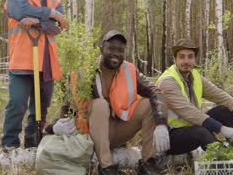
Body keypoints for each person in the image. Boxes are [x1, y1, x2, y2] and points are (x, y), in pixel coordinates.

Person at [46, 31, 170, 175]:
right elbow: (68, 106)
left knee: (149, 104)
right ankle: (106, 168)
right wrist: (54, 126)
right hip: (91, 134)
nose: (116, 53)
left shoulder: (130, 70)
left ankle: (148, 164)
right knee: (100, 104)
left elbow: (156, 92)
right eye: (111, 48)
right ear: (101, 49)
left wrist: (161, 124)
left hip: (119, 131)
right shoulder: (84, 72)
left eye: (120, 50)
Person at [1, 0, 68, 149]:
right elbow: (18, 10)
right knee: (16, 104)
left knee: (39, 108)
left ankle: (32, 143)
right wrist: (50, 14)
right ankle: (9, 145)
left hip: (47, 62)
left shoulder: (56, 1)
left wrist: (38, 20)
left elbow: (60, 26)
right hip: (22, 61)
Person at [156, 38, 233, 155]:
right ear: (175, 59)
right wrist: (221, 128)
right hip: (169, 136)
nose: (186, 61)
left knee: (222, 111)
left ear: (195, 59)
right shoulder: (167, 81)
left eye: (190, 57)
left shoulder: (195, 77)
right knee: (202, 131)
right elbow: (189, 112)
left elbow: (220, 95)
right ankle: (223, 159)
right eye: (181, 57)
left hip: (192, 127)